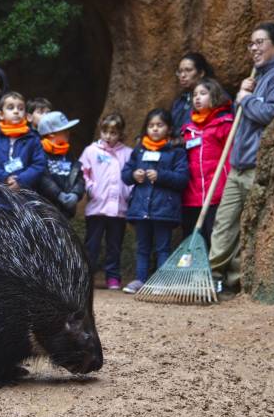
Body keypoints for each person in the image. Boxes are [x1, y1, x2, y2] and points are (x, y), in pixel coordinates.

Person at [209, 22, 274, 293]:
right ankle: (214, 275)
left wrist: (245, 99)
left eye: (259, 42)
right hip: (238, 165)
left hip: (259, 165)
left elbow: (271, 114)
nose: (253, 48)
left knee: (250, 224)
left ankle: (237, 279)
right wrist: (247, 95)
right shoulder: (259, 77)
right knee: (224, 222)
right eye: (251, 43)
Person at [121, 108, 188, 294]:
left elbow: (182, 179)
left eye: (160, 125)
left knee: (162, 247)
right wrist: (134, 175)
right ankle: (140, 280)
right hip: (141, 207)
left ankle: (162, 281)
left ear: (169, 128)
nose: (155, 129)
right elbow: (125, 175)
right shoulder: (139, 150)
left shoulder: (176, 152)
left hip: (164, 209)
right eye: (151, 126)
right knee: (142, 247)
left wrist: (161, 176)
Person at [79, 113, 134, 290]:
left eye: (113, 132)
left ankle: (113, 277)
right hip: (96, 207)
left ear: (120, 134)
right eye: (105, 132)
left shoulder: (128, 153)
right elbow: (83, 172)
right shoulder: (91, 151)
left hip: (119, 208)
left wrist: (128, 193)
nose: (108, 136)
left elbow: (131, 176)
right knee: (92, 245)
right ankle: (87, 276)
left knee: (114, 246)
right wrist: (91, 188)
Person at [181, 77, 234, 247]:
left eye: (203, 93)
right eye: (195, 94)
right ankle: (194, 273)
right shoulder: (188, 129)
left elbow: (231, 158)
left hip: (216, 192)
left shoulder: (224, 124)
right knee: (193, 239)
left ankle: (215, 271)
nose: (197, 98)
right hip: (191, 195)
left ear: (215, 96)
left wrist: (227, 187)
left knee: (215, 235)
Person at [0, 91, 46, 193]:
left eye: (20, 108)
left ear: (25, 115)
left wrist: (20, 181)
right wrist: (4, 177)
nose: (16, 111)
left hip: (24, 193)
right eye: (11, 108)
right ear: (1, 115)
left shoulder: (32, 139)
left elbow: (39, 164)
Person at [36, 111, 85, 218]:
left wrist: (76, 194)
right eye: (64, 130)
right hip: (44, 211)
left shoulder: (68, 154)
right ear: (51, 133)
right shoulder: (39, 153)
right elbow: (41, 178)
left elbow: (79, 177)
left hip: (65, 212)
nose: (68, 132)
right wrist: (58, 194)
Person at [171, 52, 215, 131]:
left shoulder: (215, 96)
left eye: (188, 70)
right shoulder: (180, 100)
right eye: (180, 71)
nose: (182, 75)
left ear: (201, 73)